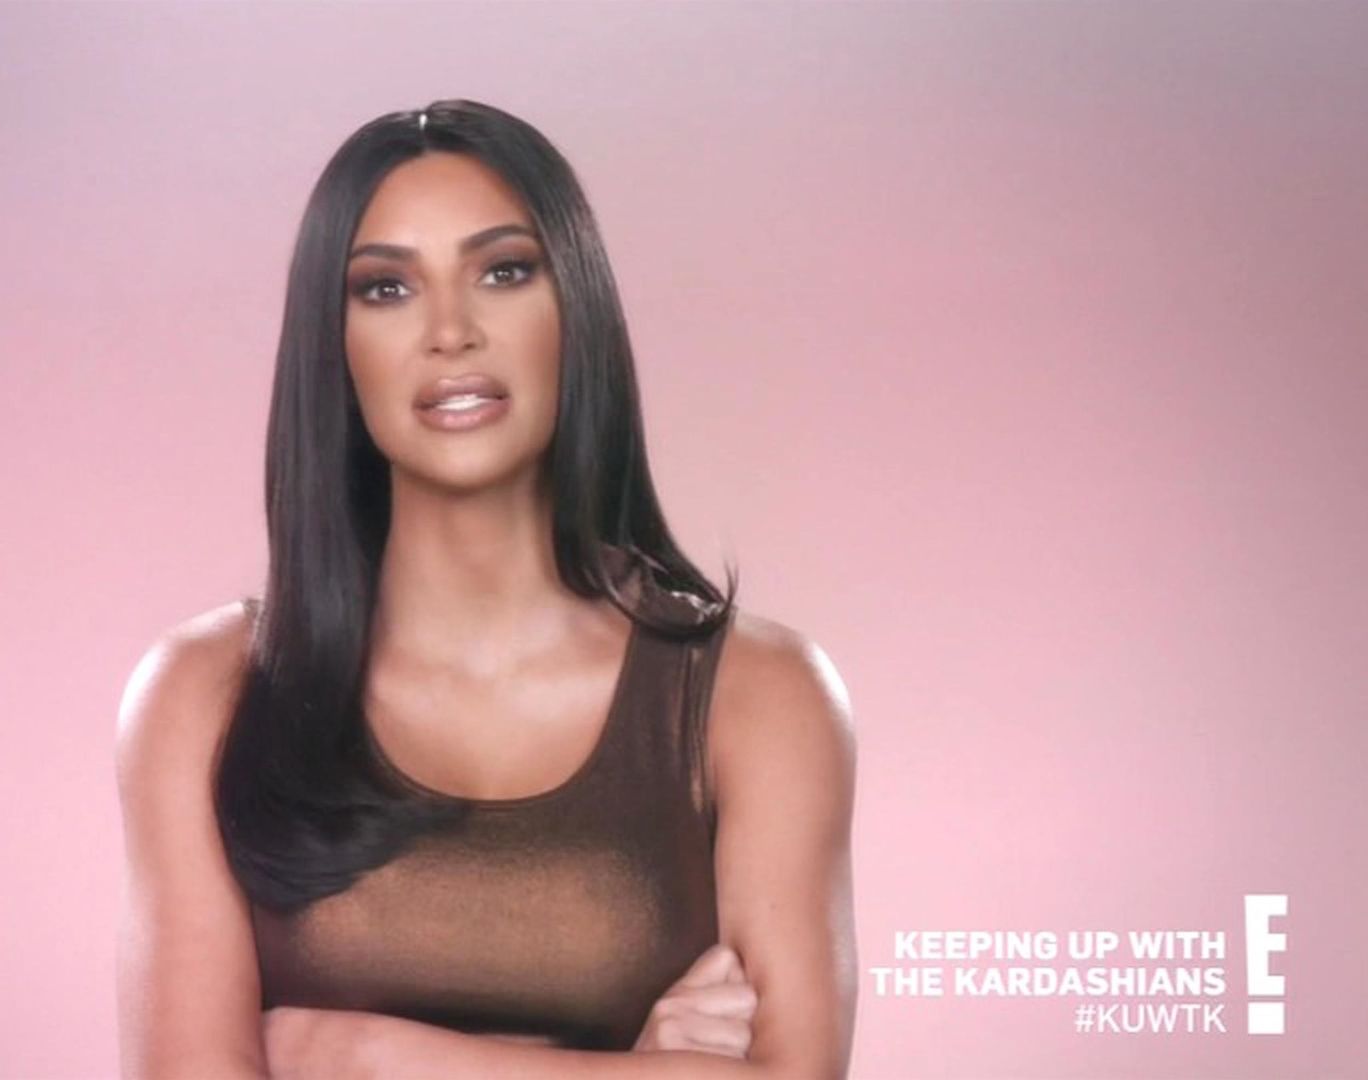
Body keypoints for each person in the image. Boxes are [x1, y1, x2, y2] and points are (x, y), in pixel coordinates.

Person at [116, 99, 856, 1079]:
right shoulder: (206, 694)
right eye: (385, 288)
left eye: (503, 272)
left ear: (575, 307)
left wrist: (351, 1054)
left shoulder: (757, 695)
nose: (451, 332)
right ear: (333, 344)